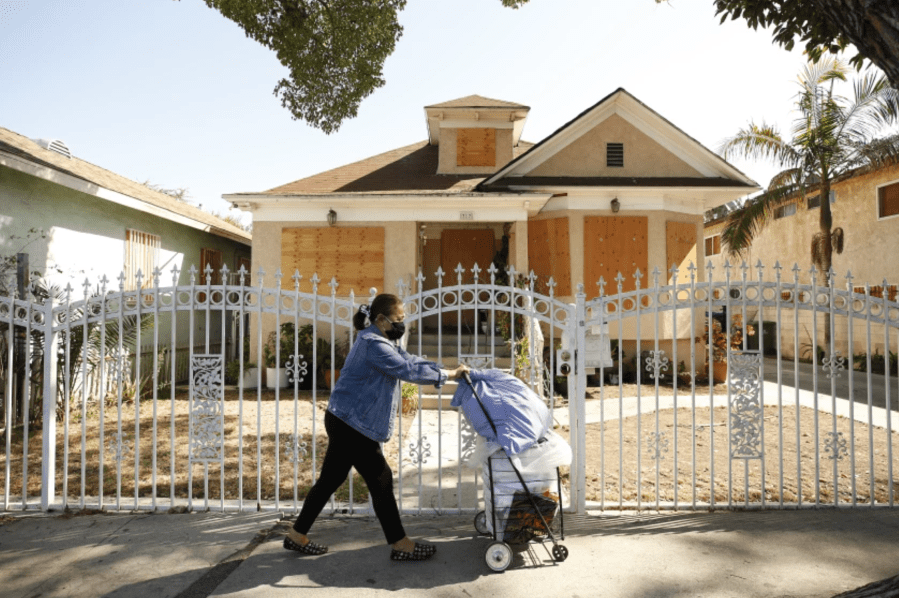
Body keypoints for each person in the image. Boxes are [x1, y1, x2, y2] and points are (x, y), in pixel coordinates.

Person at [284, 293, 469, 561]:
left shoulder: (382, 340)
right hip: (351, 424)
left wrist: (443, 368)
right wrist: (449, 375)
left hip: (344, 419)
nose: (401, 325)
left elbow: (411, 361)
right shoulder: (374, 345)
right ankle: (400, 544)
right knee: (380, 478)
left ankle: (296, 534)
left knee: (330, 480)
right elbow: (407, 371)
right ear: (381, 319)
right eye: (398, 319)